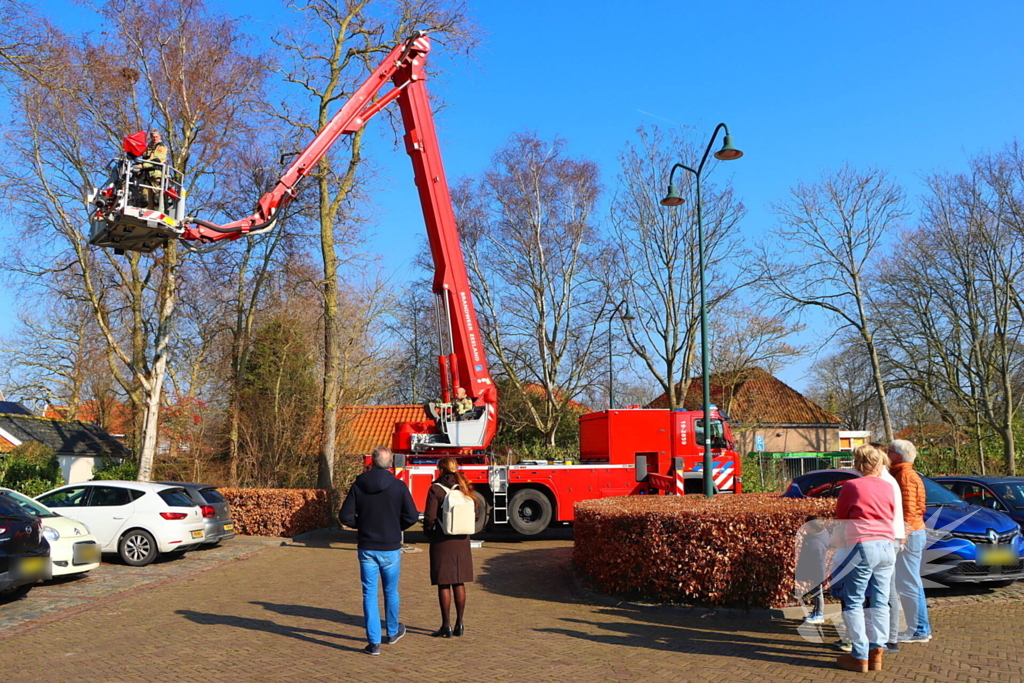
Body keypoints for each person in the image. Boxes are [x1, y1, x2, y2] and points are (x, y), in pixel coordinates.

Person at [339, 446, 419, 656]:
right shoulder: (398, 486)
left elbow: (345, 516)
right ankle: (392, 632)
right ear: (390, 463)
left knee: (369, 594)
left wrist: (363, 525)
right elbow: (412, 516)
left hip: (367, 547)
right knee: (391, 591)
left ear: (372, 462)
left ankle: (373, 642)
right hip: (390, 547)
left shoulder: (358, 485)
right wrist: (395, 526)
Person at [833, 444, 897, 673]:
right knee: (880, 600)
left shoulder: (851, 486)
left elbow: (842, 516)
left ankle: (859, 655)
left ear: (858, 464)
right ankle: (877, 649)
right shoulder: (888, 486)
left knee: (854, 600)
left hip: (862, 544)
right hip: (887, 545)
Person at [422, 457, 476, 638]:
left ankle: (446, 625)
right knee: (459, 581)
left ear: (440, 469)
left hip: (442, 540)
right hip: (462, 539)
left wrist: (430, 533)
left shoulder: (436, 488)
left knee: (444, 582)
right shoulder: (464, 486)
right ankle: (460, 624)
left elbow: (429, 517)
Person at [888, 439, 931, 644]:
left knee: (909, 584)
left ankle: (919, 630)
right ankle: (919, 628)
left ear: (897, 455)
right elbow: (920, 507)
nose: (886, 455)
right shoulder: (909, 474)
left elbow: (909, 510)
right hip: (915, 531)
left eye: (889, 451)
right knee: (911, 582)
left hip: (910, 534)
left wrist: (902, 536)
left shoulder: (903, 476)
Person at [874, 443, 905, 653]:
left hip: (881, 539)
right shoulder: (890, 480)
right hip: (890, 538)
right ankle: (888, 637)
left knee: (882, 590)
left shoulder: (881, 482)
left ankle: (884, 639)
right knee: (887, 589)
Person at [795, 515, 829, 624]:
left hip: (816, 573)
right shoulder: (820, 536)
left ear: (814, 529)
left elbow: (816, 562)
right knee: (816, 592)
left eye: (807, 526)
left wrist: (813, 576)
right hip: (816, 572)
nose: (805, 527)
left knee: (817, 593)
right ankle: (816, 611)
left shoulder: (815, 543)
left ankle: (819, 614)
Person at [137, 129, 168, 211]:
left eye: (156, 137)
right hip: (146, 175)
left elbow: (157, 160)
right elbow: (144, 158)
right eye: (153, 137)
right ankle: (145, 212)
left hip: (156, 174)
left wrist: (142, 166)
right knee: (144, 197)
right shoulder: (149, 147)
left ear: (159, 136)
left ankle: (159, 212)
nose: (155, 138)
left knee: (156, 197)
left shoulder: (161, 146)